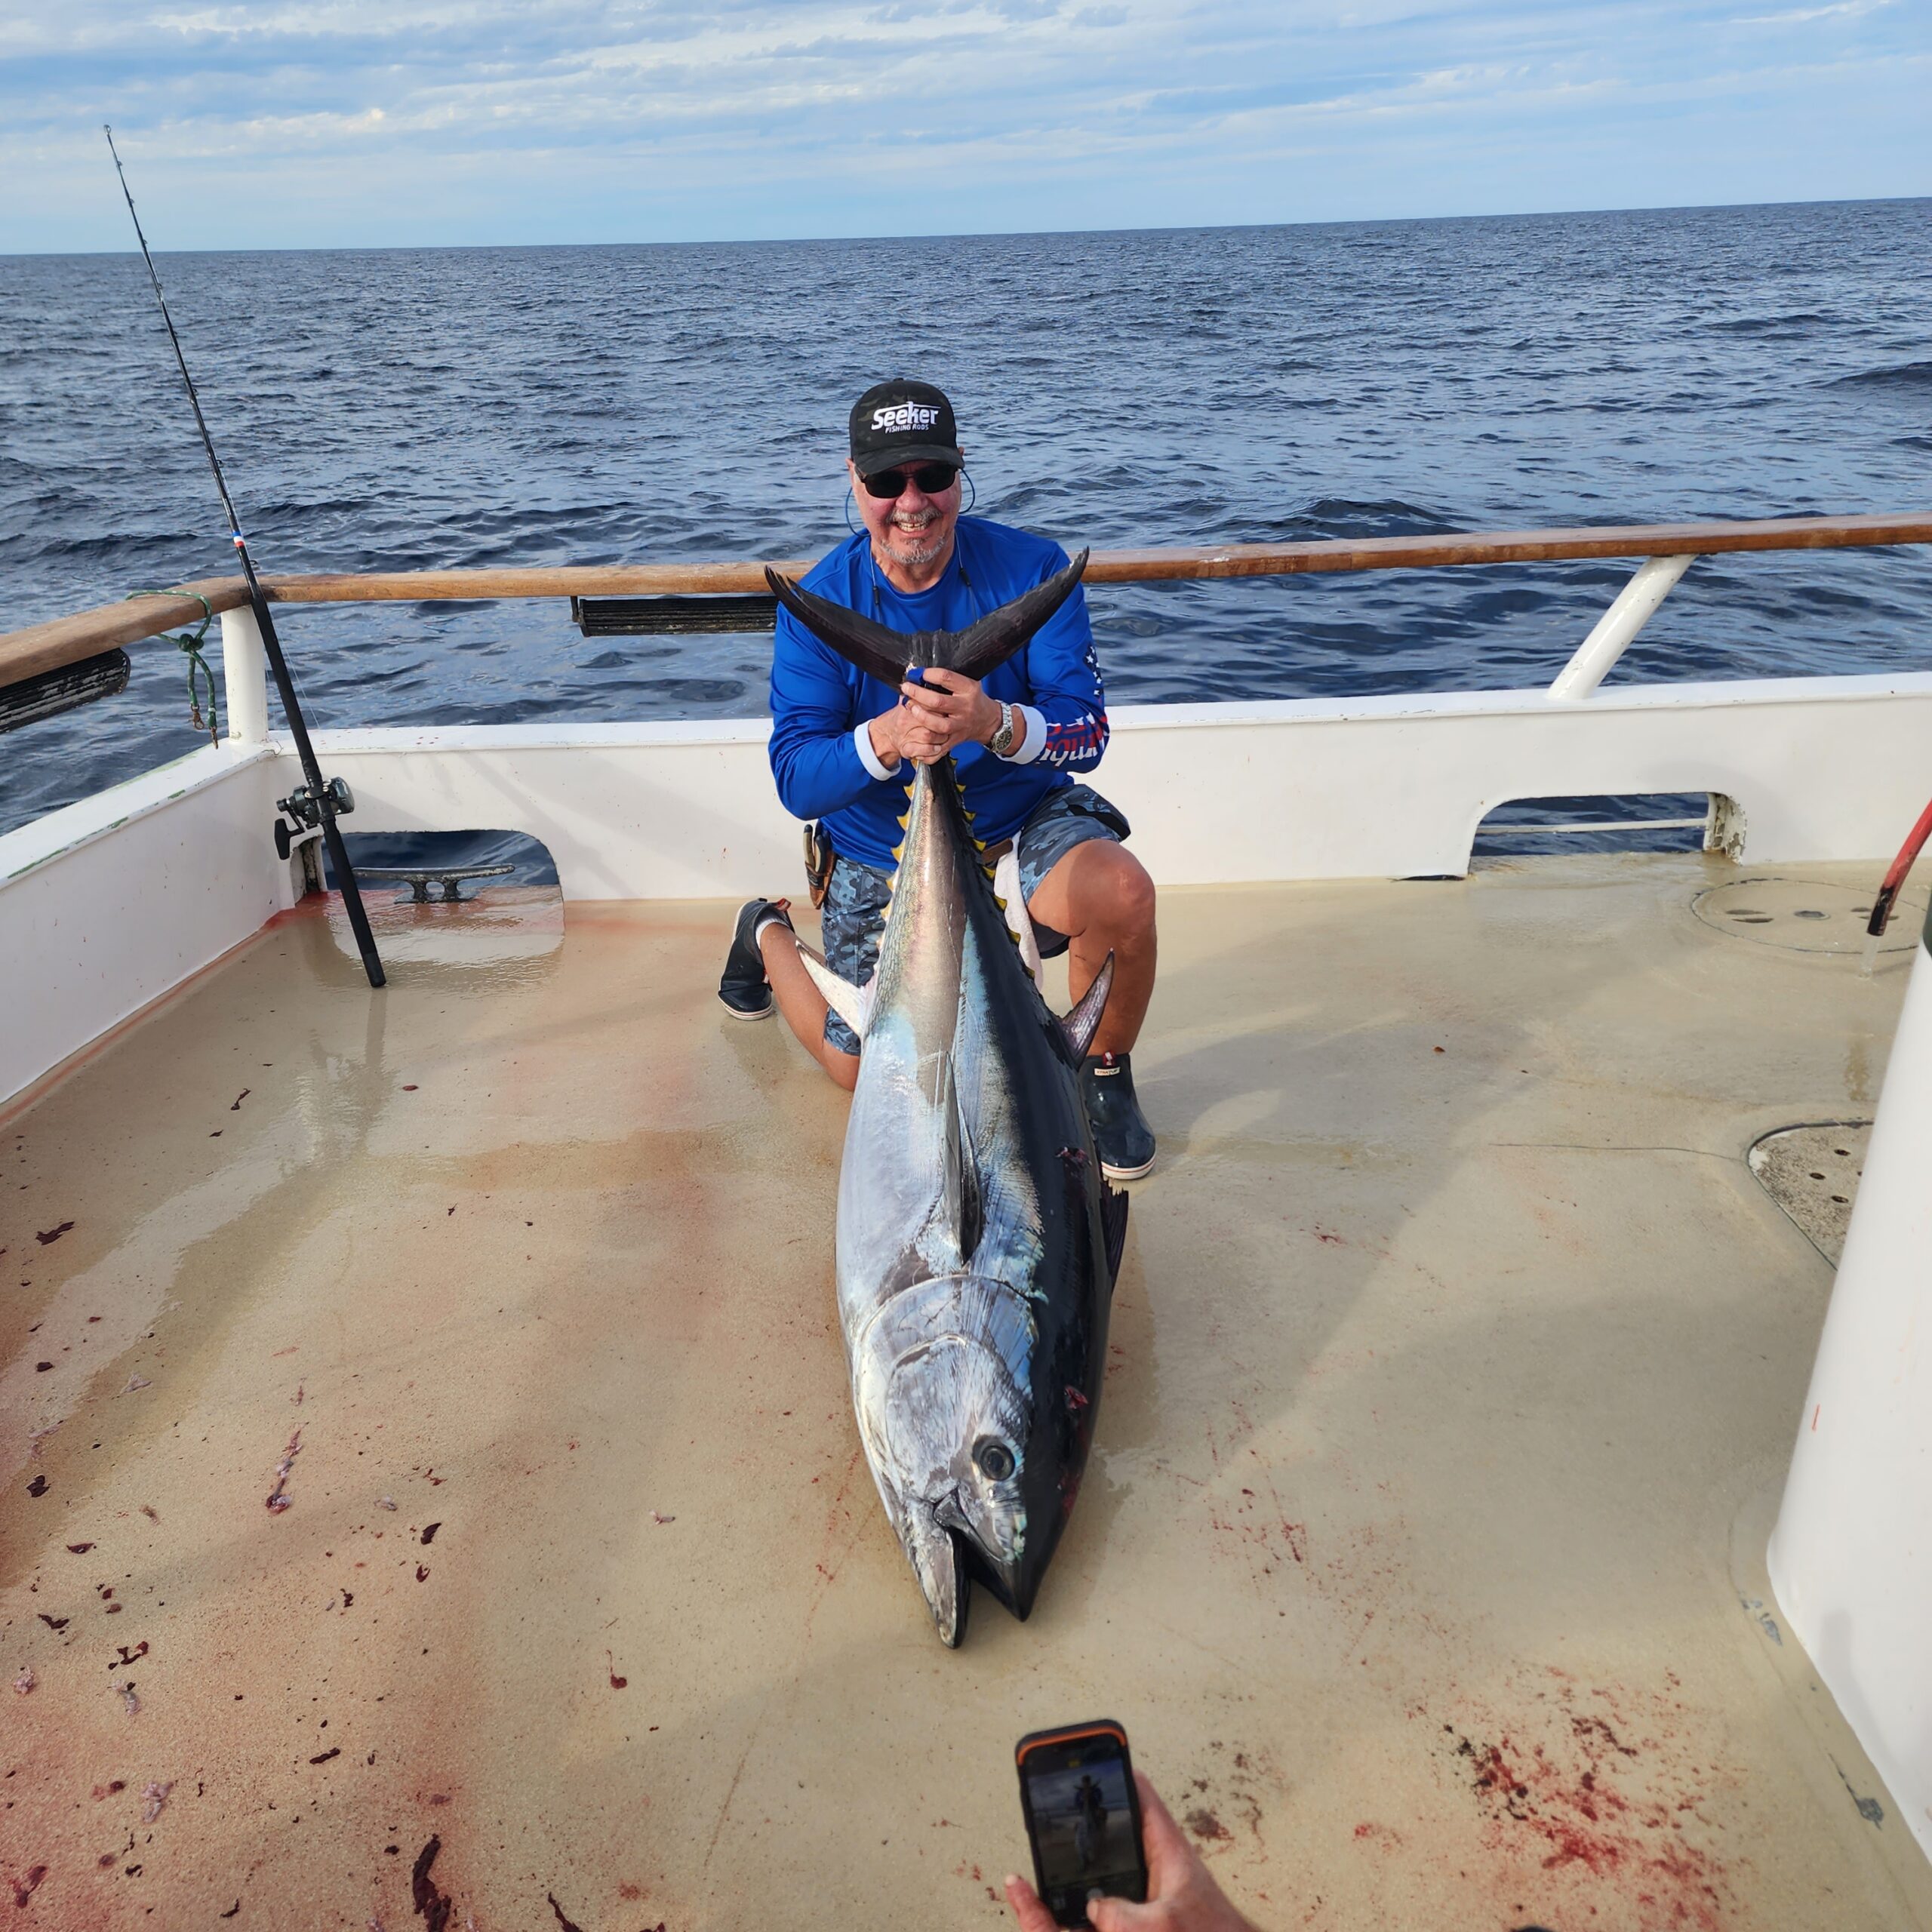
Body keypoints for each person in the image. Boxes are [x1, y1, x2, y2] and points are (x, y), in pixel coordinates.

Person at [716, 377, 1159, 1180]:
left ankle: (1102, 1075)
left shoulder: (1034, 570)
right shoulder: (820, 604)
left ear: (961, 471)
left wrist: (993, 723)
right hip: (880, 851)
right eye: (887, 481)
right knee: (860, 1070)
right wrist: (891, 736)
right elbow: (798, 781)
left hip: (1022, 825)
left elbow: (1087, 733)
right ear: (855, 480)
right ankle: (766, 932)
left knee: (1123, 893)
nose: (911, 502)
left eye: (932, 476)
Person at [1004, 1770, 1265, 1932]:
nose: (1085, 1783)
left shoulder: (1094, 1790)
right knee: (1081, 1830)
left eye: (1086, 1781)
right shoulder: (1082, 1793)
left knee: (1100, 1824)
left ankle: (1097, 1850)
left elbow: (1099, 1802)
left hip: (1095, 1812)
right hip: (1085, 1813)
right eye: (1084, 1782)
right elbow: (1077, 1804)